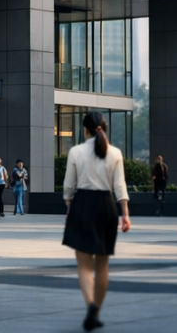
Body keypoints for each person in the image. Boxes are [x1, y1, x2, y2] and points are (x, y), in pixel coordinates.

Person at [63, 111, 132, 332]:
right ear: (103, 127)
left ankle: (90, 305)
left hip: (82, 203)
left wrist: (70, 208)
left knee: (84, 265)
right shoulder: (115, 153)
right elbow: (120, 185)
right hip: (107, 205)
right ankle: (97, 311)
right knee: (103, 265)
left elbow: (68, 187)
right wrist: (126, 214)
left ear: (85, 129)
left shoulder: (76, 151)